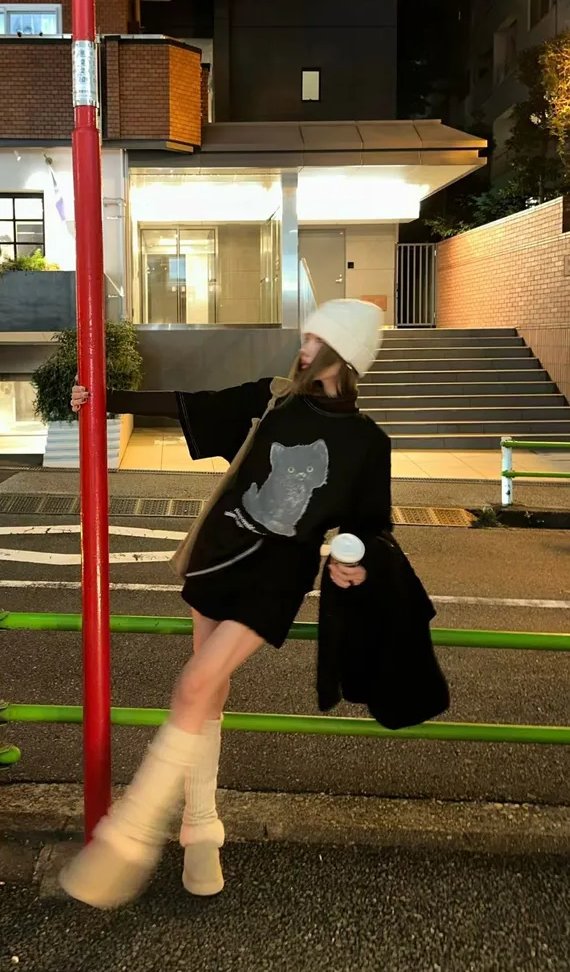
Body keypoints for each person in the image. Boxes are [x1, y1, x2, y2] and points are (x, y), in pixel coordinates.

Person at [60, 299, 390, 910]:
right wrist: (101, 399)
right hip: (221, 556)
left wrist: (354, 560)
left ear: (343, 355)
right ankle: (201, 831)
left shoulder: (368, 441)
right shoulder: (274, 399)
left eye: (316, 340)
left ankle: (131, 836)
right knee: (207, 693)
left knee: (194, 684)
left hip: (276, 580)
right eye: (306, 337)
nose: (304, 348)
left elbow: (370, 526)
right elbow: (190, 404)